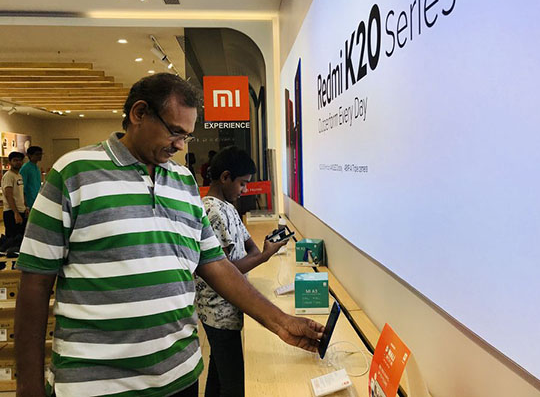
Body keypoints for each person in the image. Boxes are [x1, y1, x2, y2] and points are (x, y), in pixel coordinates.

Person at [14, 73, 323, 397]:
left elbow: (217, 265)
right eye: (175, 132)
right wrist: (28, 386)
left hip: (179, 378)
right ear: (139, 113)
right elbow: (35, 284)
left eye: (186, 136)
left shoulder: (184, 182)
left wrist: (281, 322)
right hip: (96, 386)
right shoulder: (73, 173)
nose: (180, 145)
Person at [196, 146, 288, 397]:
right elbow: (222, 272)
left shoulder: (229, 208)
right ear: (225, 177)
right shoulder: (212, 212)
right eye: (242, 184)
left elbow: (251, 248)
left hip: (232, 305)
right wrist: (264, 256)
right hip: (218, 311)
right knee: (233, 384)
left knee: (219, 374)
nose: (245, 190)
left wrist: (262, 253)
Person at [1, 151, 27, 239]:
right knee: (12, 239)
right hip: (11, 212)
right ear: (10, 162)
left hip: (21, 211)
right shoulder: (9, 176)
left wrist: (25, 207)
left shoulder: (19, 175)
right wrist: (16, 213)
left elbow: (20, 193)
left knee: (20, 238)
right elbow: (9, 195)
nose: (18, 162)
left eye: (20, 160)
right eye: (15, 160)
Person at [20, 145, 43, 210]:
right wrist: (25, 203)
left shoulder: (36, 168)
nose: (40, 156)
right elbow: (22, 187)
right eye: (37, 154)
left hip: (37, 199)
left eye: (41, 154)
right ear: (29, 155)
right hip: (29, 200)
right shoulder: (25, 168)